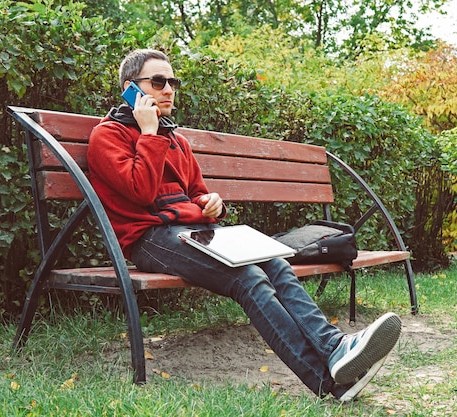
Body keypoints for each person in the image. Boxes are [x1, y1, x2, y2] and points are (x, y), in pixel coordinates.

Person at [87, 49, 402, 401]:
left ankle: (335, 348)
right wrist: (149, 133)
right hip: (150, 239)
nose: (168, 89)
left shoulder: (176, 141)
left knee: (276, 265)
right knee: (248, 278)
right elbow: (142, 192)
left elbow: (197, 194)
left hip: (194, 232)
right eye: (158, 82)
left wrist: (212, 205)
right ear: (132, 89)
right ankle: (329, 381)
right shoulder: (108, 136)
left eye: (172, 81)